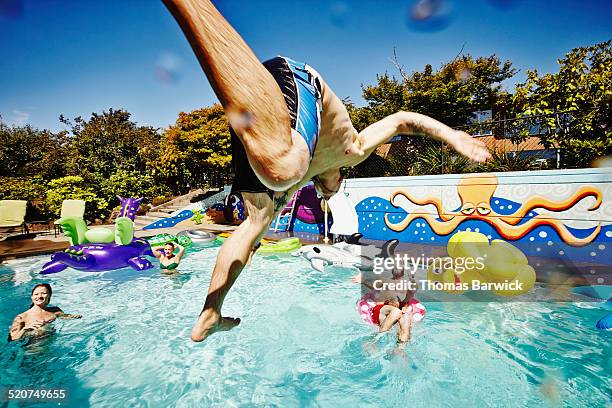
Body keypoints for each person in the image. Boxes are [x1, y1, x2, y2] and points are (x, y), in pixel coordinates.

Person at [162, 0, 491, 342]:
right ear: (342, 178)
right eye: (330, 191)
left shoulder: (302, 180)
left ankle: (211, 311)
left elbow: (252, 234)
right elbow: (402, 119)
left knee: (256, 224)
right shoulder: (354, 150)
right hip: (296, 78)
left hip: (265, 115)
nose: (327, 193)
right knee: (285, 169)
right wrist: (452, 135)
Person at [8, 283, 81, 342]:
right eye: (36, 294)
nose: (39, 296)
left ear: (49, 296)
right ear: (32, 297)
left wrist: (75, 317)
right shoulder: (22, 317)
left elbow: (65, 317)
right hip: (34, 348)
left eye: (43, 293)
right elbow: (12, 338)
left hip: (53, 343)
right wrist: (24, 329)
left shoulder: (55, 311)